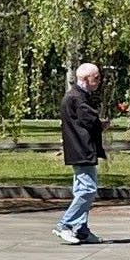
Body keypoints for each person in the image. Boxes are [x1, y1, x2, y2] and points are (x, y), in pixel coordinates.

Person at [53, 63, 107, 245]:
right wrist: (101, 124)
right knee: (88, 189)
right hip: (81, 149)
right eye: (96, 77)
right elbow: (89, 119)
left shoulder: (78, 96)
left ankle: (80, 229)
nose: (99, 81)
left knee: (80, 190)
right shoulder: (77, 98)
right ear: (84, 79)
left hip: (80, 148)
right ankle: (65, 224)